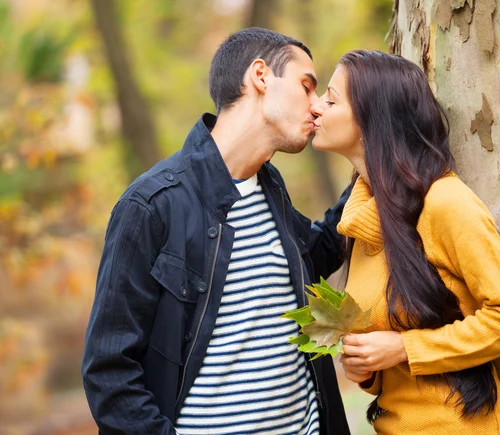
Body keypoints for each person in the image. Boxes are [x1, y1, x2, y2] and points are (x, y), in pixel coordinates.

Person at [81, 28, 351, 435]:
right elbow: (109, 372)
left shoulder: (270, 188)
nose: (317, 107)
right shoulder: (151, 206)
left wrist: (376, 163)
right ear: (260, 76)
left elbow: (320, 251)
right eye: (307, 86)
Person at [310, 49, 500, 434]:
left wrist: (404, 348)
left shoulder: (445, 204)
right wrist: (366, 368)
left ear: (373, 119)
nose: (316, 108)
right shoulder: (362, 223)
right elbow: (394, 358)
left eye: (331, 99)